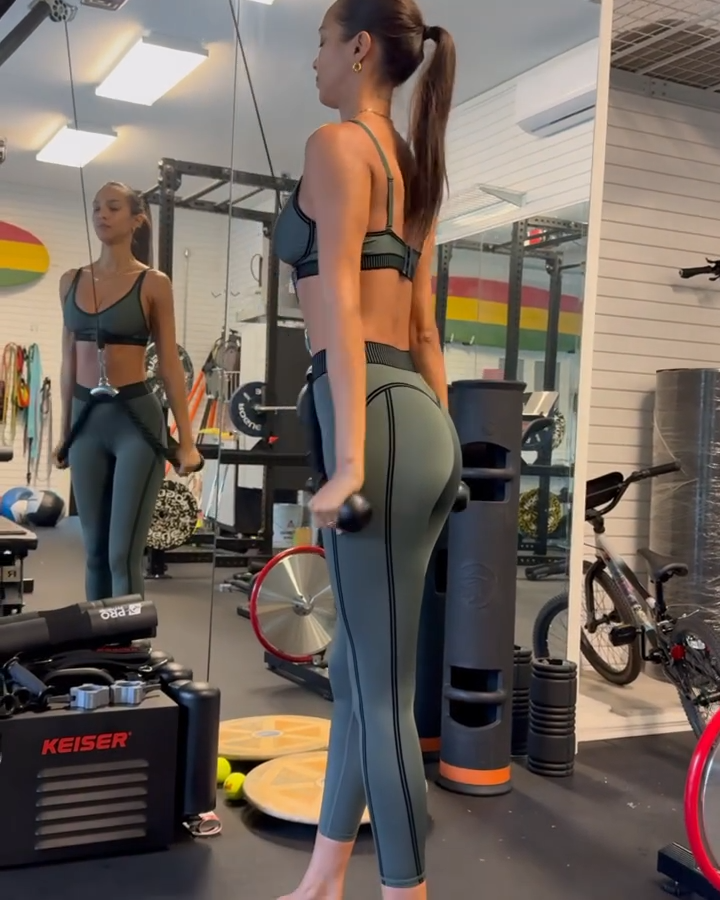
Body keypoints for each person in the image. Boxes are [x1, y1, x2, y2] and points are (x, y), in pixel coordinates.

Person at [273, 1, 459, 898]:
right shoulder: (413, 168)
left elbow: (344, 306)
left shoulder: (336, 145)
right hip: (416, 418)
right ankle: (323, 879)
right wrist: (448, 443)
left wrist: (349, 462)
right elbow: (423, 331)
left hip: (371, 420)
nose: (313, 60)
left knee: (381, 695)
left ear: (357, 48)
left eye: (320, 42)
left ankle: (406, 891)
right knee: (356, 671)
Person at [55, 182, 201, 602]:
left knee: (122, 555)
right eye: (96, 207)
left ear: (137, 219)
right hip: (86, 422)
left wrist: (187, 441)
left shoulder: (153, 283)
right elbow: (68, 362)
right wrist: (64, 433)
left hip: (135, 424)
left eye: (113, 207)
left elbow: (169, 364)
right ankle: (96, 637)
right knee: (94, 553)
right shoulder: (70, 281)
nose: (101, 214)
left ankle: (126, 639)